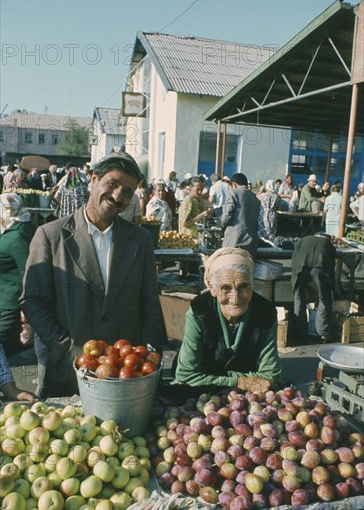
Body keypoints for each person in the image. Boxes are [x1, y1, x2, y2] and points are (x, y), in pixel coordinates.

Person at [20, 153, 163, 398]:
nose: (118, 196)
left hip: (123, 375)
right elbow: (33, 301)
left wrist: (149, 357)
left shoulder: (140, 240)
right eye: (113, 184)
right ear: (94, 179)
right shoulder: (50, 235)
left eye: (127, 191)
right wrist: (65, 348)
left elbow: (149, 303)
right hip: (64, 371)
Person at [175, 248, 281, 391]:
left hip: (247, 399)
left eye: (244, 286)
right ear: (212, 289)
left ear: (253, 284)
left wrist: (212, 377)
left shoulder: (265, 313)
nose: (235, 298)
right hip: (203, 394)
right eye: (225, 288)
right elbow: (186, 376)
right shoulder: (199, 311)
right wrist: (241, 381)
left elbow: (270, 377)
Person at [0, 193, 36, 356]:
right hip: (7, 297)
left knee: (5, 345)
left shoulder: (17, 235)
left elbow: (28, 273)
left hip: (12, 302)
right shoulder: (21, 224)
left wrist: (27, 316)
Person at [291, 234, 336, 344]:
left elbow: (294, 257)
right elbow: (331, 265)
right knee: (324, 298)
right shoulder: (328, 244)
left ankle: (299, 333)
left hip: (300, 268)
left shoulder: (302, 240)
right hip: (320, 268)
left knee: (299, 298)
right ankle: (323, 333)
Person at [221, 173, 260, 257]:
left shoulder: (233, 193)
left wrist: (221, 225)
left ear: (234, 184)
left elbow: (226, 217)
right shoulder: (255, 197)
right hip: (251, 241)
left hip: (235, 240)